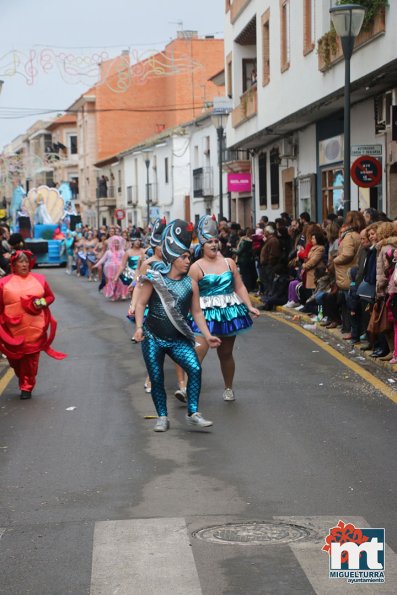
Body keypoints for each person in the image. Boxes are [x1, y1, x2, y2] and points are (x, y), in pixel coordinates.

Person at [133, 219, 221, 432]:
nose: (187, 260)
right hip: (153, 337)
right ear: (173, 257)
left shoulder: (190, 284)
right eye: (184, 256)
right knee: (156, 377)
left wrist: (207, 335)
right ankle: (162, 417)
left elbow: (197, 312)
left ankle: (193, 412)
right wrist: (138, 327)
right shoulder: (155, 278)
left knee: (195, 368)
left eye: (189, 256)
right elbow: (141, 303)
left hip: (177, 339)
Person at [189, 215, 260, 402]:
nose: (213, 245)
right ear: (202, 245)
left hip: (228, 312)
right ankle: (190, 388)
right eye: (209, 242)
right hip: (203, 314)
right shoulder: (195, 267)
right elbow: (190, 295)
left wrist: (249, 306)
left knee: (226, 353)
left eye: (216, 241)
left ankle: (228, 388)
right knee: (198, 352)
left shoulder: (229, 262)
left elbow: (239, 286)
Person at [0, 251, 66, 398]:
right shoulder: (3, 283)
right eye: (20, 262)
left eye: (26, 261)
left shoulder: (39, 279)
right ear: (14, 265)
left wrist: (40, 303)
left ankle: (27, 386)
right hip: (12, 331)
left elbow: (50, 297)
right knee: (15, 360)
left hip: (35, 329)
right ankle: (22, 378)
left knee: (31, 360)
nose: (24, 264)